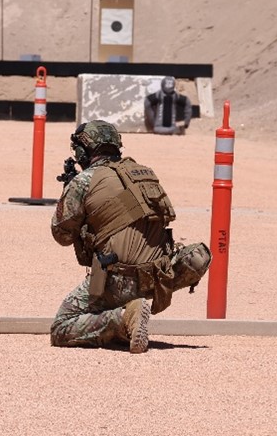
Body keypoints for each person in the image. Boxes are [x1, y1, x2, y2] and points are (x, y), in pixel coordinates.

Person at [50, 120, 211, 353]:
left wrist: (68, 193)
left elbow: (62, 235)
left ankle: (123, 318)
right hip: (158, 277)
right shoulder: (144, 173)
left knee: (62, 328)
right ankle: (131, 314)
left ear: (83, 151)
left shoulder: (84, 181)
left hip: (117, 280)